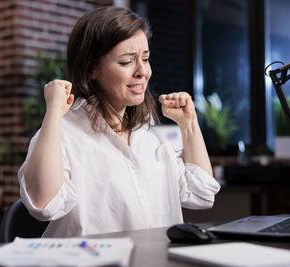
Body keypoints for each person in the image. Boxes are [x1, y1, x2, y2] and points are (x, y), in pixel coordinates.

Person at [18, 6, 220, 237]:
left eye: (145, 58)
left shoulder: (148, 137)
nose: (142, 71)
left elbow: (202, 194)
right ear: (91, 68)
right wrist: (53, 112)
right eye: (126, 62)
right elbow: (44, 204)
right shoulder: (64, 132)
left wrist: (189, 124)